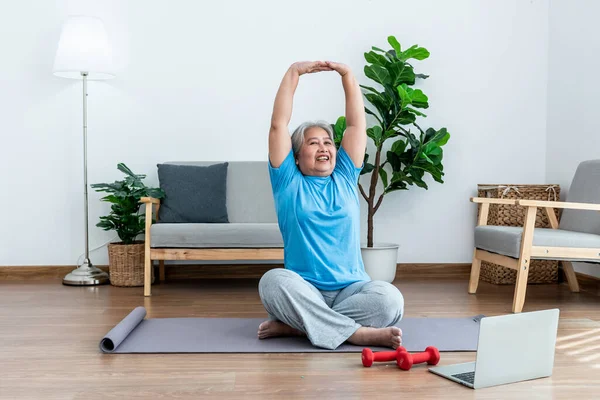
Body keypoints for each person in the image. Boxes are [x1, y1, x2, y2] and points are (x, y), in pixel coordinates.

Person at [257, 61, 405, 350]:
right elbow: (278, 124)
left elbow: (355, 124)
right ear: (297, 156)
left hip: (352, 290)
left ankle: (301, 328)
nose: (323, 147)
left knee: (391, 301)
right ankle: (356, 334)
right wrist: (294, 73)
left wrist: (347, 75)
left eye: (328, 142)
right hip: (304, 290)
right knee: (272, 281)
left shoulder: (346, 177)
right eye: (313, 143)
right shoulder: (288, 180)